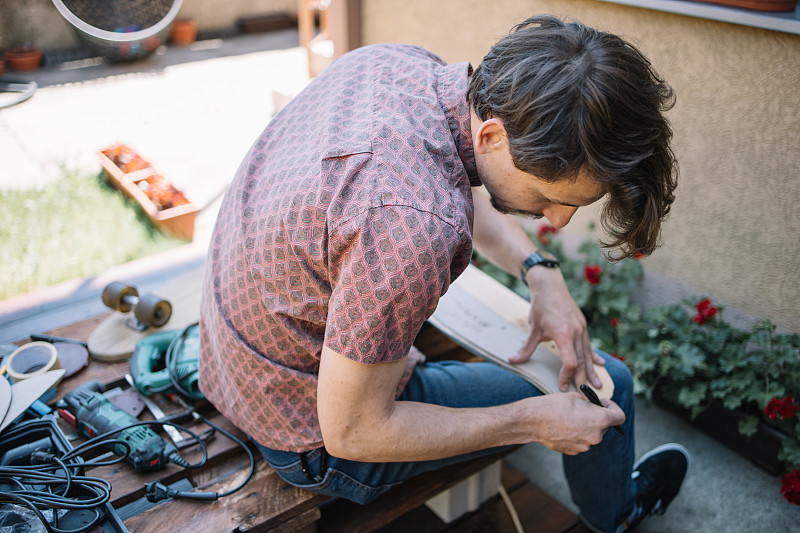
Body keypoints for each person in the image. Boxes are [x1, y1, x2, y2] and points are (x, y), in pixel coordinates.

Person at [198, 15, 688, 533]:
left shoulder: (401, 68)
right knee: (610, 386)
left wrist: (541, 272)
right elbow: (352, 432)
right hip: (307, 435)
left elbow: (451, 172)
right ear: (494, 135)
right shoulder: (414, 227)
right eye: (550, 197)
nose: (559, 219)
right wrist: (535, 420)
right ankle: (618, 515)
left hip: (233, 355)